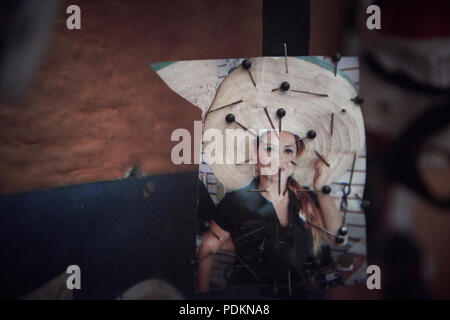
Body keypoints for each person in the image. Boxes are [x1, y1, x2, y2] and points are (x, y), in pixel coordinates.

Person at [197, 130, 347, 293]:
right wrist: (202, 294)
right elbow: (209, 244)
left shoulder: (308, 199)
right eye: (269, 149)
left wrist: (321, 190)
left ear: (295, 158)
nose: (279, 159)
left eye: (288, 151)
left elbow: (340, 238)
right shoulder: (236, 202)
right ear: (255, 155)